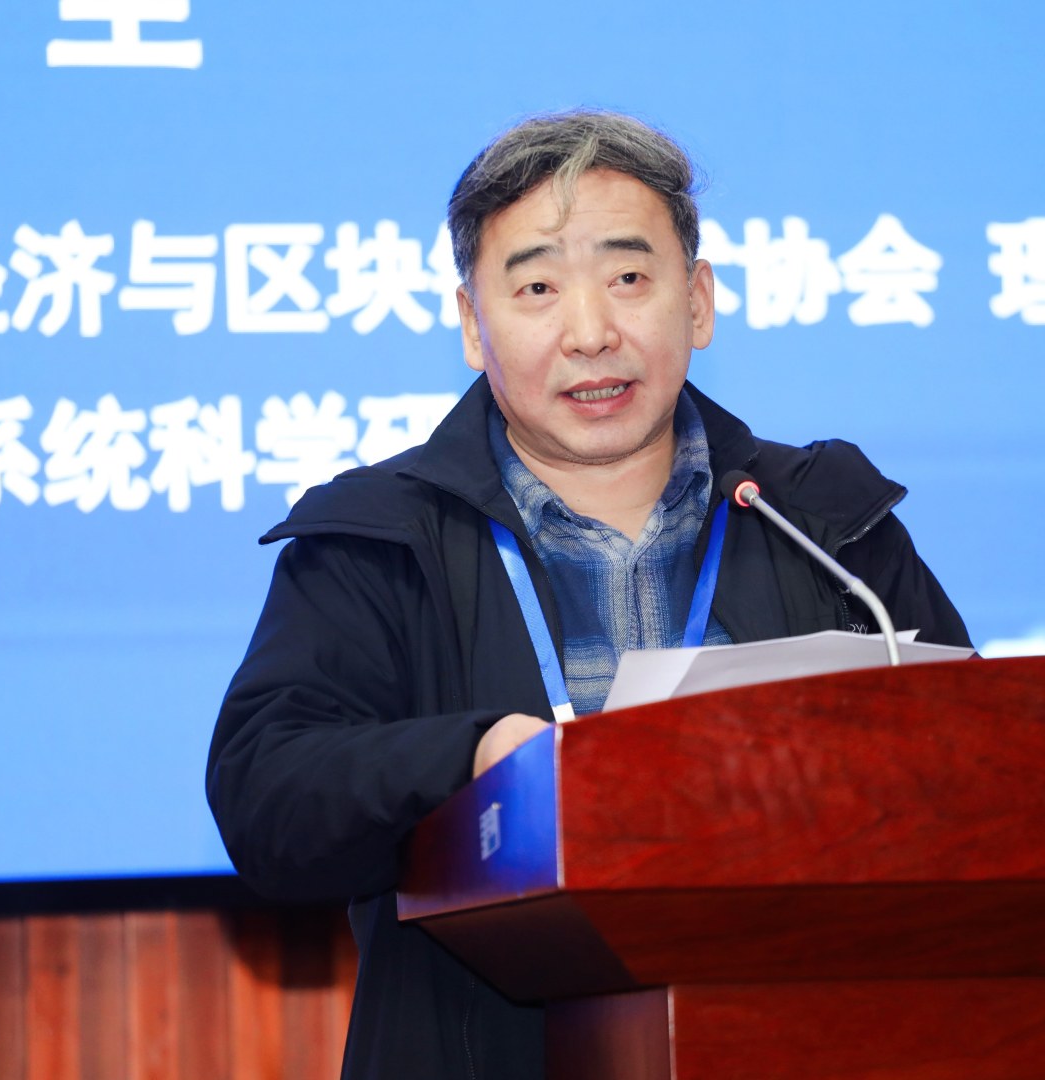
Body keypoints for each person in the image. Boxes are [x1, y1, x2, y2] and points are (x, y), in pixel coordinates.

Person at [207, 109, 970, 1080]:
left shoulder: (820, 521)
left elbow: (976, 783)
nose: (591, 333)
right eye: (536, 288)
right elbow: (268, 800)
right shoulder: (378, 539)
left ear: (697, 302)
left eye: (628, 280)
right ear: (472, 324)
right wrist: (474, 757)